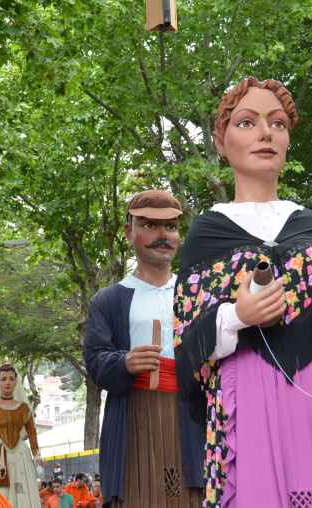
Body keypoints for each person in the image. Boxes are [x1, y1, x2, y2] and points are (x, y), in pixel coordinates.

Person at [174, 76, 312, 507]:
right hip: (246, 397)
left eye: (278, 124)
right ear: (222, 143)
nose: (267, 133)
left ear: (287, 144)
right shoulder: (206, 235)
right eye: (248, 122)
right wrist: (236, 315)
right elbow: (188, 341)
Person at [83, 190, 203, 507]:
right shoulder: (108, 301)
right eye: (149, 225)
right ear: (128, 232)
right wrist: (124, 362)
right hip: (135, 420)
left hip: (192, 420)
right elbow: (95, 362)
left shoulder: (197, 294)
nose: (163, 235)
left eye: (171, 227)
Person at [0, 364, 42, 508]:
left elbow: (32, 433)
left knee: (24, 493)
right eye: (3, 379)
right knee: (2, 494)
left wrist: (37, 455)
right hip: (0, 457)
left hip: (21, 455)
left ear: (16, 382)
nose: (7, 382)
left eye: (11, 379)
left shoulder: (24, 407)